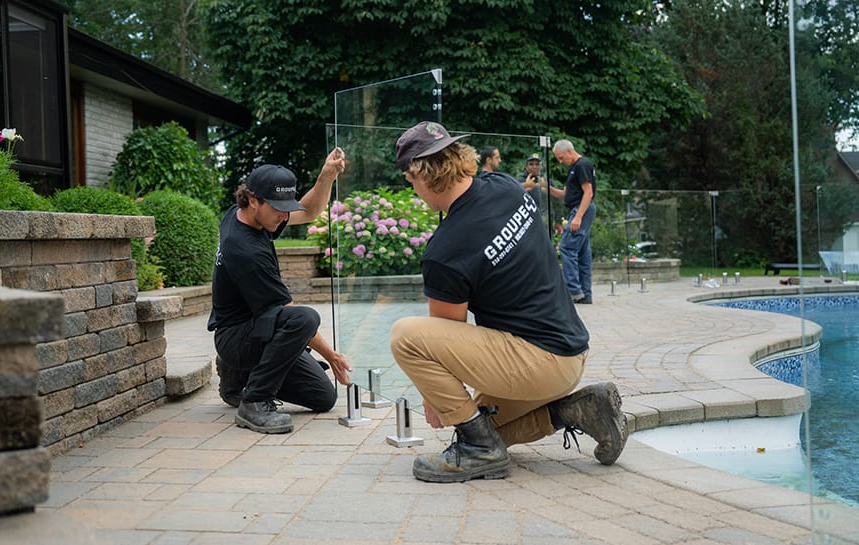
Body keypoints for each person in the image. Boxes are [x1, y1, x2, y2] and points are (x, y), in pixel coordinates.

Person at [389, 121, 627, 483]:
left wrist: (437, 399)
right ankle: (577, 410)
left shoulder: (445, 250)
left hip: (537, 363)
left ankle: (480, 451)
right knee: (480, 425)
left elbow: (443, 340)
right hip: (571, 353)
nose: (413, 188)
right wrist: (463, 413)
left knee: (406, 335)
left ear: (421, 176)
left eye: (410, 180)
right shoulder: (504, 187)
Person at [208, 150, 353, 434]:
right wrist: (332, 355)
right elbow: (287, 314)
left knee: (323, 397)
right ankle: (254, 401)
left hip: (260, 328)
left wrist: (326, 177)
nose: (285, 216)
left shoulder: (245, 215)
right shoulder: (246, 252)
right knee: (304, 319)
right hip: (238, 336)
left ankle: (238, 378)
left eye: (286, 206)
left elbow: (309, 212)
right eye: (278, 208)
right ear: (252, 200)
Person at [540, 140, 596, 304]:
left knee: (566, 246)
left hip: (581, 210)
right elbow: (566, 194)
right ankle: (585, 294)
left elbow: (588, 192)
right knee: (583, 252)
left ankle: (573, 291)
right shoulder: (574, 168)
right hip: (579, 208)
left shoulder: (582, 165)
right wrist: (546, 188)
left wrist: (578, 216)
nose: (560, 161)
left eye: (561, 157)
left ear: (569, 151)